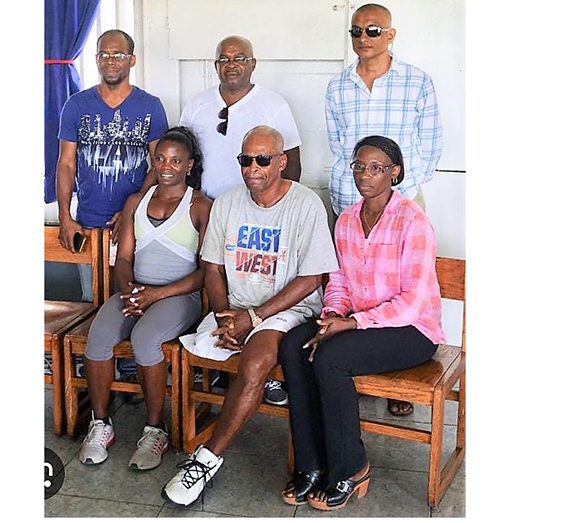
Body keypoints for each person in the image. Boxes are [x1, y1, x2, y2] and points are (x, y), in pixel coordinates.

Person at [161, 126, 338, 507]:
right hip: (236, 307)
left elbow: (312, 278)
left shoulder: (306, 204)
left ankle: (206, 460)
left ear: (282, 161)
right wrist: (227, 316)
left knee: (256, 362)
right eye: (245, 160)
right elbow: (212, 268)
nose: (252, 168)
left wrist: (253, 317)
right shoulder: (227, 203)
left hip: (286, 309)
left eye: (262, 159)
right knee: (221, 351)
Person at [276, 135, 445, 511]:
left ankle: (350, 468)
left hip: (411, 331)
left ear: (394, 173)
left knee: (330, 358)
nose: (365, 175)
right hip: (354, 322)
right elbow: (337, 281)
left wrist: (351, 325)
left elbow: (411, 302)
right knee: (293, 345)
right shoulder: (348, 220)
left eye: (376, 168)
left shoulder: (413, 222)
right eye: (359, 166)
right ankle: (311, 465)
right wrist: (334, 314)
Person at [325, 3, 442, 416]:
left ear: (390, 35)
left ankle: (398, 376)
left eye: (373, 31)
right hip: (350, 199)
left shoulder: (417, 82)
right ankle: (355, 366)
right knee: (355, 283)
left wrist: (395, 197)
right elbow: (340, 147)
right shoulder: (338, 87)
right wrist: (363, 192)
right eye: (356, 31)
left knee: (400, 286)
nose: (363, 38)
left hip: (402, 200)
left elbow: (429, 146)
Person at [77, 126, 212, 470]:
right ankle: (100, 423)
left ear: (189, 165)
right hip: (135, 291)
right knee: (99, 337)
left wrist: (156, 295)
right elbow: (123, 259)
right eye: (161, 158)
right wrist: (130, 290)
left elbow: (206, 271)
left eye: (176, 160)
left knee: (145, 338)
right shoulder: (135, 202)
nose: (167, 166)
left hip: (179, 296)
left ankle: (155, 429)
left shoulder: (200, 206)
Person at [179, 35, 302, 404]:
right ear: (216, 65)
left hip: (261, 213)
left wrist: (275, 209)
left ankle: (267, 371)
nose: (231, 64)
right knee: (214, 279)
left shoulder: (273, 104)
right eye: (224, 58)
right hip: (209, 210)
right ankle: (221, 361)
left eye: (239, 58)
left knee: (259, 281)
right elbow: (186, 155)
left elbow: (291, 162)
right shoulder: (198, 103)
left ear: (253, 63)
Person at [56, 29, 169, 382]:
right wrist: (64, 217)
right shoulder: (76, 105)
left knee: (131, 297)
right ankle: (102, 374)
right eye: (104, 54)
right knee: (95, 304)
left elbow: (159, 166)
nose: (111, 60)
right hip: (90, 223)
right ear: (96, 60)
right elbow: (66, 163)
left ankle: (132, 370)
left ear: (132, 60)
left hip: (138, 226)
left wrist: (132, 211)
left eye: (119, 54)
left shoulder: (150, 106)